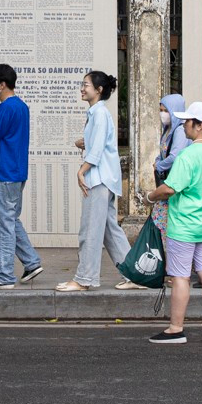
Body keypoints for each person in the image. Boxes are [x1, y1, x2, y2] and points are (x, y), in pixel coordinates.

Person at [144, 101, 202, 345]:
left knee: (180, 277)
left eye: (188, 121)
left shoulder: (188, 155)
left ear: (200, 126)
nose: (184, 125)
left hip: (184, 226)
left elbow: (170, 189)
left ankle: (176, 328)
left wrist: (150, 195)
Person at [63, 70, 127, 292]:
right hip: (105, 179)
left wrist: (82, 170)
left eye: (86, 85)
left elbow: (98, 149)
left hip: (98, 179)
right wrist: (85, 143)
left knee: (89, 230)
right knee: (110, 230)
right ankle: (134, 274)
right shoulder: (97, 113)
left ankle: (84, 278)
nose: (82, 88)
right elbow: (99, 144)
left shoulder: (99, 114)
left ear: (98, 90)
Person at [0, 63, 41, 289]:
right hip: (17, 171)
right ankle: (32, 262)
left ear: (2, 84)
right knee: (11, 220)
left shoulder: (5, 108)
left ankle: (5, 276)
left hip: (4, 172)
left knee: (2, 226)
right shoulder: (22, 106)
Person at [154, 94, 191, 184]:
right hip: (168, 176)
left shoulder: (180, 130)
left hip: (176, 180)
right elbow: (164, 150)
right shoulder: (168, 128)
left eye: (166, 111)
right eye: (161, 110)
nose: (162, 114)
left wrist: (159, 165)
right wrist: (158, 160)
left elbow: (174, 157)